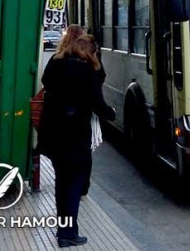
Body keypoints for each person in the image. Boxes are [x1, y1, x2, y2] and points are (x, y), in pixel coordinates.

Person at [39, 34, 115, 248]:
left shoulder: (55, 63)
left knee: (61, 183)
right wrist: (112, 113)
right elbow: (99, 104)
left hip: (52, 134)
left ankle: (62, 229)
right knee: (74, 184)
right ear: (90, 52)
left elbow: (45, 83)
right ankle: (68, 233)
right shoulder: (87, 71)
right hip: (74, 136)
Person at [53, 25, 104, 197]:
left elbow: (47, 81)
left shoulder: (57, 59)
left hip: (59, 120)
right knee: (84, 153)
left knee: (63, 156)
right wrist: (108, 113)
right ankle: (82, 188)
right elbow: (98, 87)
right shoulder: (90, 66)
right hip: (81, 120)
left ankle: (64, 186)